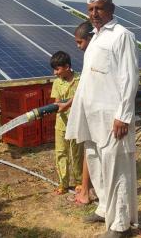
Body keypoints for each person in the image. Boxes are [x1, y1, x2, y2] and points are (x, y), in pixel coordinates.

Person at [66, 0, 139, 238]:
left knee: (115, 166)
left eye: (98, 8)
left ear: (111, 9)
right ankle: (105, 208)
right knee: (96, 161)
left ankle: (120, 225)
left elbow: (130, 77)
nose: (94, 14)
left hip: (111, 116)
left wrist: (123, 115)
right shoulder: (95, 37)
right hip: (91, 114)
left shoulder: (122, 36)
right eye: (90, 9)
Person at [50, 51, 83, 194]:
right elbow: (56, 102)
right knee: (61, 153)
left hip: (76, 123)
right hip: (61, 124)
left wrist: (68, 103)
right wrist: (62, 105)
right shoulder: (57, 83)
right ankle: (63, 183)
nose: (55, 72)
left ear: (67, 67)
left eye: (57, 69)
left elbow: (82, 97)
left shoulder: (81, 79)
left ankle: (79, 181)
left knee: (76, 153)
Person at [72, 21, 94, 205]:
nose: (78, 47)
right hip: (91, 111)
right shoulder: (90, 55)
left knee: (92, 150)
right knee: (90, 149)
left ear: (90, 38)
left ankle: (87, 191)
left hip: (99, 114)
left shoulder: (96, 54)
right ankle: (87, 189)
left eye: (80, 42)